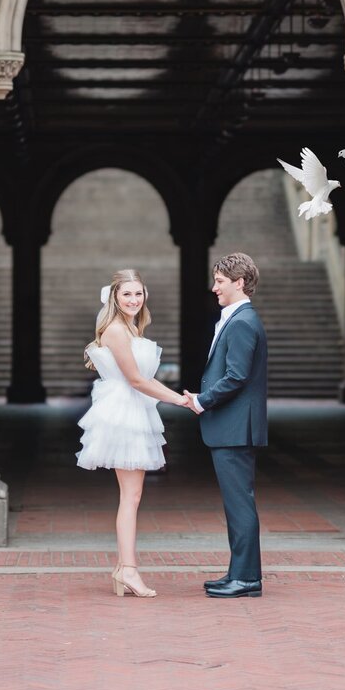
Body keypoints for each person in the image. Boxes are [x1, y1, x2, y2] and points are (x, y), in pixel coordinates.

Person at [77, 269, 187, 598]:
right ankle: (128, 569)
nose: (134, 300)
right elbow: (137, 380)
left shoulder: (129, 327)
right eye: (127, 294)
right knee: (131, 497)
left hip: (134, 411)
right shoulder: (115, 330)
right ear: (114, 297)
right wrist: (181, 399)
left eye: (138, 294)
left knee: (132, 496)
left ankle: (123, 568)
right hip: (123, 415)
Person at [184, 252, 268, 598]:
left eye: (220, 281)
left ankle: (247, 579)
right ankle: (239, 572)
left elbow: (236, 377)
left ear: (239, 282)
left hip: (235, 428)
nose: (213, 287)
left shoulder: (244, 322)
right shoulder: (237, 319)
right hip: (232, 426)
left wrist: (202, 401)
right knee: (237, 503)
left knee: (239, 504)